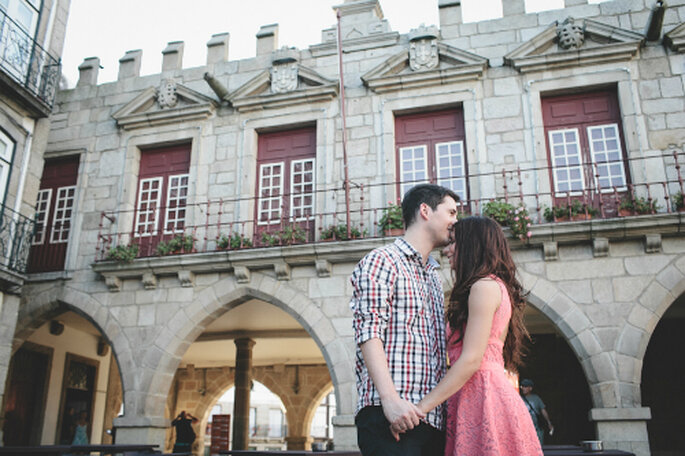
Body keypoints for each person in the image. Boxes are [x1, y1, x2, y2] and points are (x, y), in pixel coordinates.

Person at [404, 216, 542, 455]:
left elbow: (471, 359)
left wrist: (420, 408)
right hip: (478, 393)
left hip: (484, 395)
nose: (446, 250)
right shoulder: (492, 285)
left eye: (453, 242)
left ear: (472, 245)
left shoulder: (483, 287)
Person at [350, 184, 460, 456]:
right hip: (389, 417)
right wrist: (390, 400)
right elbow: (369, 331)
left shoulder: (434, 276)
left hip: (428, 419)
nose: (456, 221)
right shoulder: (382, 261)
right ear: (425, 211)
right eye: (451, 212)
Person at [520, 378, 554, 445]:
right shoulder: (519, 398)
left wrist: (549, 422)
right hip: (524, 430)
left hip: (536, 429)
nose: (523, 388)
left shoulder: (536, 398)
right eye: (522, 386)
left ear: (530, 388)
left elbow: (543, 411)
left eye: (525, 386)